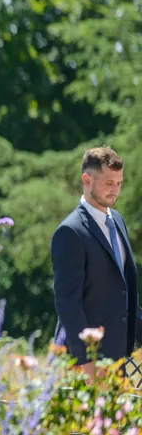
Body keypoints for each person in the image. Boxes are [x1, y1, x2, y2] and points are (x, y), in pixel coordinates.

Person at [51, 146, 142, 376]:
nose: (115, 190)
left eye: (119, 183)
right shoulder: (70, 232)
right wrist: (86, 362)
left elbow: (124, 293)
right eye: (109, 183)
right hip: (85, 364)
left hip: (118, 360)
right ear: (87, 180)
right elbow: (68, 304)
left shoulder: (118, 221)